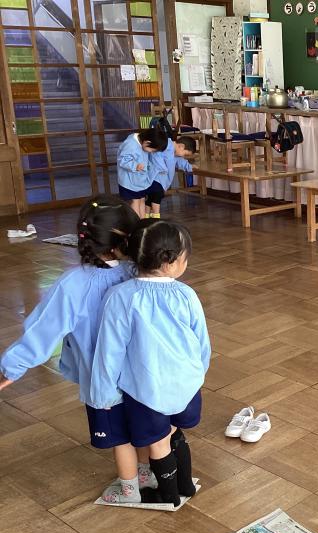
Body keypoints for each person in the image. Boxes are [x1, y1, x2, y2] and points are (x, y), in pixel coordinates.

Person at [0, 197, 154, 503]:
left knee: (120, 439)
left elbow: (44, 329)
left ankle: (128, 491)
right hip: (143, 376)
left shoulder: (73, 283)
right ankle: (146, 474)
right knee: (141, 428)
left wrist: (11, 367)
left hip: (104, 382)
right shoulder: (140, 272)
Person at [91, 219, 210, 506]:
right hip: (186, 386)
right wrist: (197, 373)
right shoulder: (186, 294)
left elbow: (109, 352)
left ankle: (170, 497)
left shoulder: (121, 296)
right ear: (170, 262)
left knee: (158, 443)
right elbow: (202, 342)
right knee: (174, 432)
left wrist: (103, 395)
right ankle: (186, 486)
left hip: (147, 390)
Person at [117, 129, 169, 218]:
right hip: (129, 181)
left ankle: (142, 220)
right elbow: (122, 160)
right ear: (147, 142)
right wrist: (135, 166)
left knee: (141, 200)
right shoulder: (131, 144)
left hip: (138, 180)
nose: (151, 152)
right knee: (135, 201)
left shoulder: (142, 143)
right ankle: (137, 222)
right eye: (152, 150)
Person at [146, 136, 197, 219]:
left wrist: (190, 166)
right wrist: (163, 168)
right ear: (181, 146)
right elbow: (155, 155)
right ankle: (155, 217)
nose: (184, 156)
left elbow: (181, 162)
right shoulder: (165, 145)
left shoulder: (176, 154)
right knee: (156, 197)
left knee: (150, 199)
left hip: (162, 180)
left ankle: (146, 217)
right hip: (155, 177)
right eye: (185, 154)